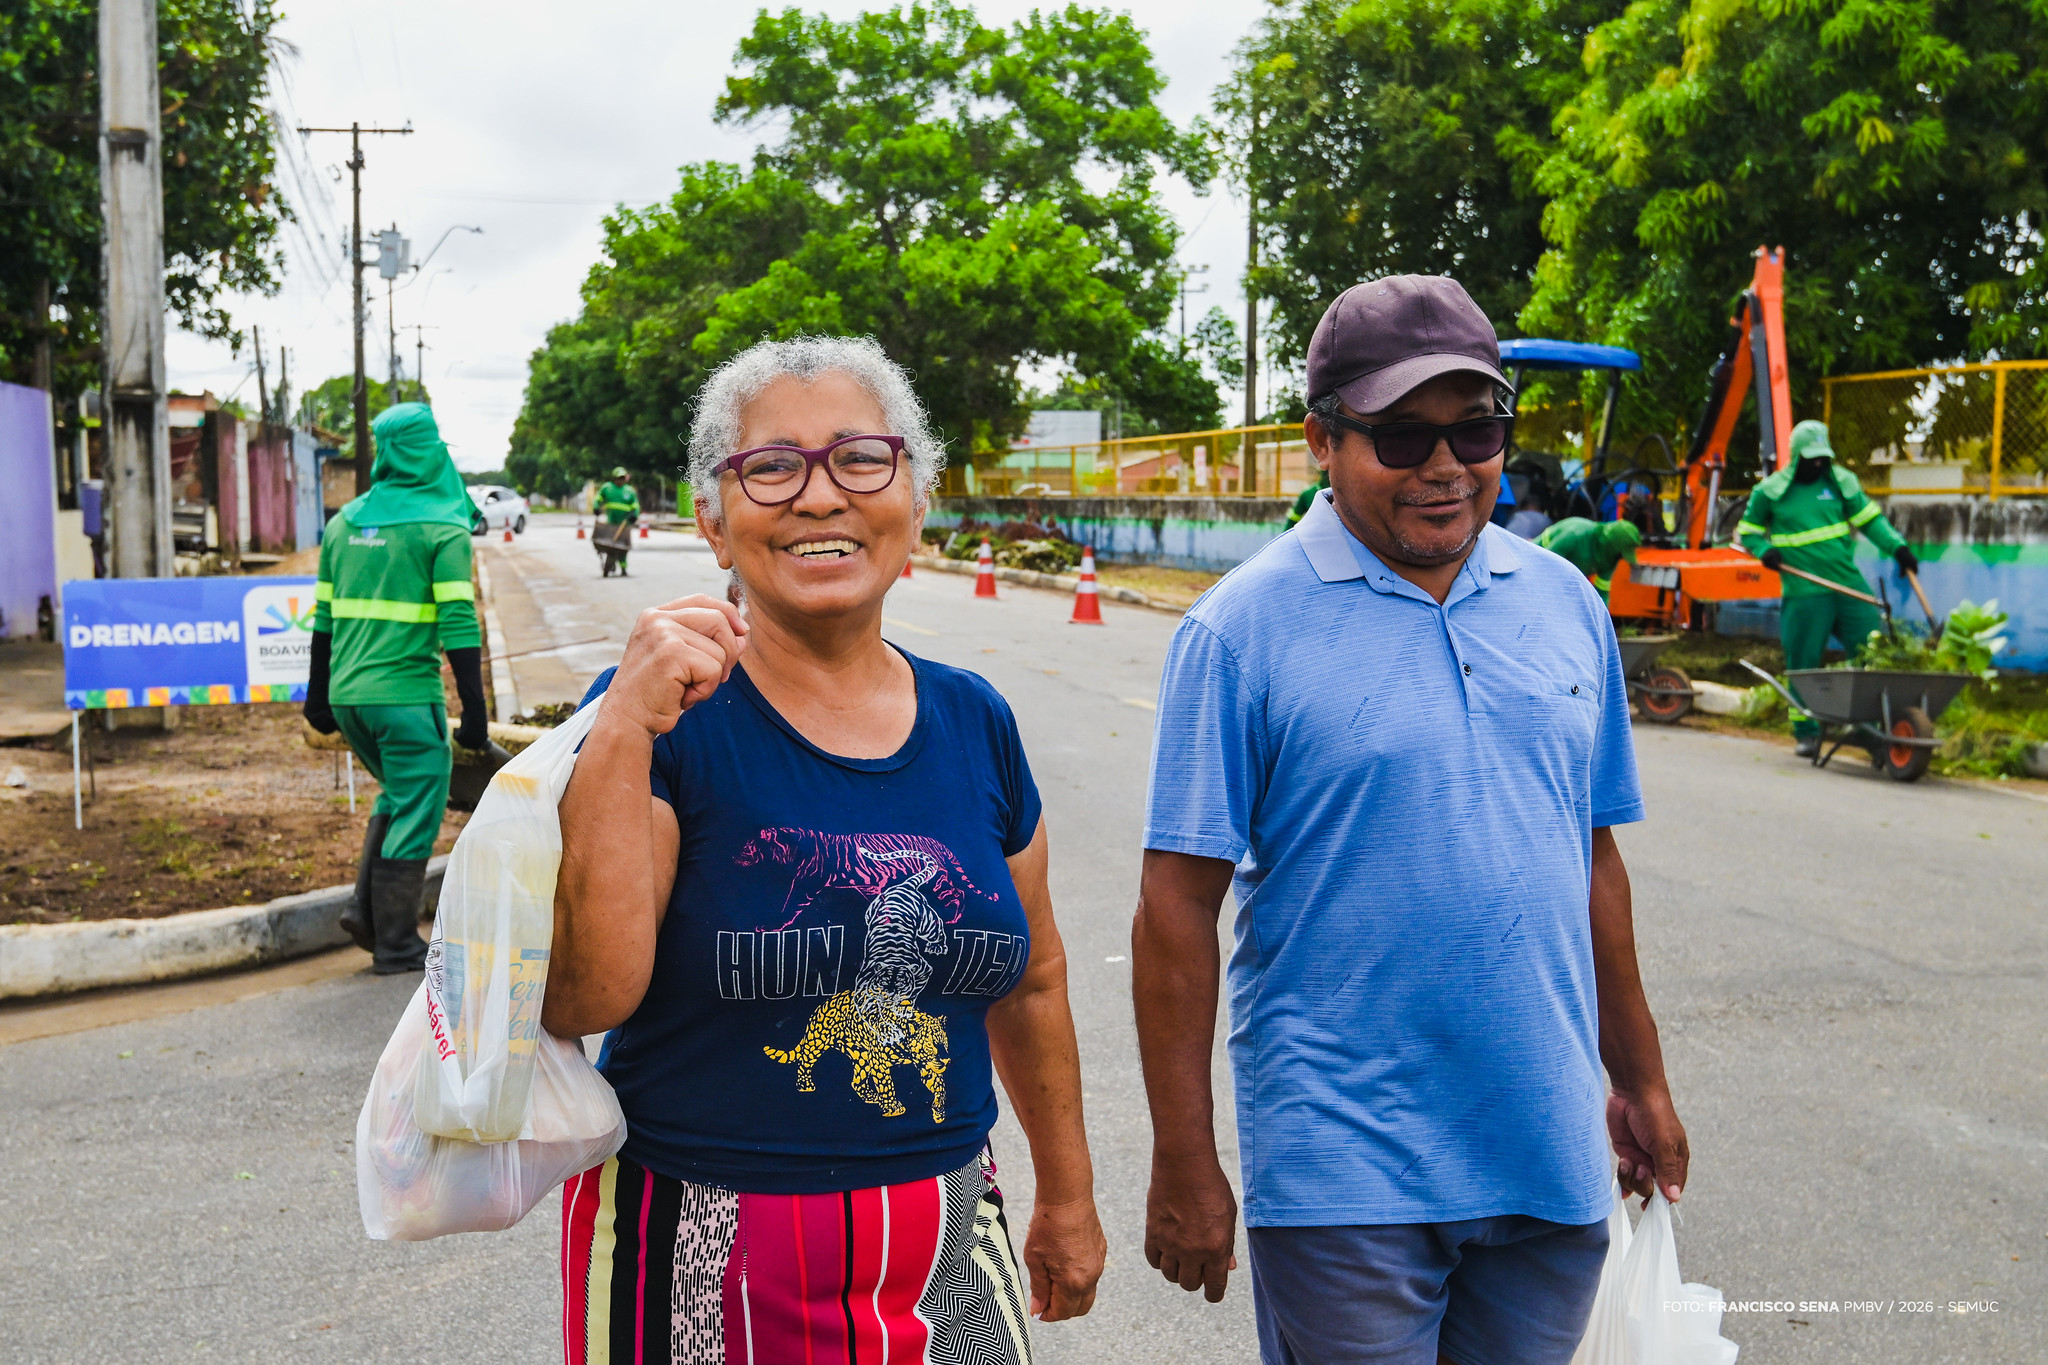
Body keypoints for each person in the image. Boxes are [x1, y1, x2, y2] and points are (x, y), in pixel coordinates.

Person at [1132, 275, 1688, 1365]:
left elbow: (1591, 862)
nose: (1445, 468)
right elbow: (1172, 909)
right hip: (1343, 1173)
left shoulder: (1563, 604)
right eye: (1400, 437)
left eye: (1475, 429)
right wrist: (1184, 1157)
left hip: (1544, 1152)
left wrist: (1639, 1081)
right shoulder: (1239, 633)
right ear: (1321, 443)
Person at [545, 335, 1105, 1361]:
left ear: (916, 503)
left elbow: (1032, 980)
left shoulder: (973, 719)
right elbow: (585, 998)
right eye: (771, 467)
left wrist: (1066, 1196)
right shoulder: (659, 720)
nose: (818, 496)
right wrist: (621, 728)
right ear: (713, 522)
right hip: (705, 1246)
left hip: (943, 1235)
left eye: (859, 458)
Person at [302, 403, 488, 973]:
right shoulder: (442, 526)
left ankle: (365, 911)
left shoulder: (345, 522)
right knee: (418, 808)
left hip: (348, 695)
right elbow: (458, 624)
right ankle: (398, 944)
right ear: (430, 452)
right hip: (405, 699)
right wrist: (475, 714)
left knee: (397, 795)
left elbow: (323, 620)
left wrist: (316, 698)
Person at [1737, 419, 1916, 758]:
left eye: (1822, 457)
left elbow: (1870, 521)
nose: (1817, 464)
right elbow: (1748, 531)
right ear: (1796, 456)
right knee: (1803, 660)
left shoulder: (1841, 483)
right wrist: (1765, 551)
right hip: (1805, 589)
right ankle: (1805, 730)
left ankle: (1870, 727)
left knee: (1871, 649)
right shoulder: (1770, 492)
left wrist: (1899, 549)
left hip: (1847, 583)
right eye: (1811, 457)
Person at [1536, 515, 1641, 597]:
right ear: (1612, 546)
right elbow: (1543, 565)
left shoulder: (1609, 559)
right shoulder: (1575, 535)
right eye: (1620, 553)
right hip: (1536, 564)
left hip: (1562, 581)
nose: (1620, 558)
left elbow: (1602, 592)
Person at [595, 465, 640, 576]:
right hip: (611, 523)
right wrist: (596, 507)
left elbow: (635, 505)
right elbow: (598, 499)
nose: (620, 481)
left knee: (623, 546)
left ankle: (623, 568)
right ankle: (610, 564)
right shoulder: (607, 488)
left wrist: (634, 515)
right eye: (618, 478)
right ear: (614, 478)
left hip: (624, 523)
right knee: (611, 545)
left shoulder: (629, 491)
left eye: (622, 478)